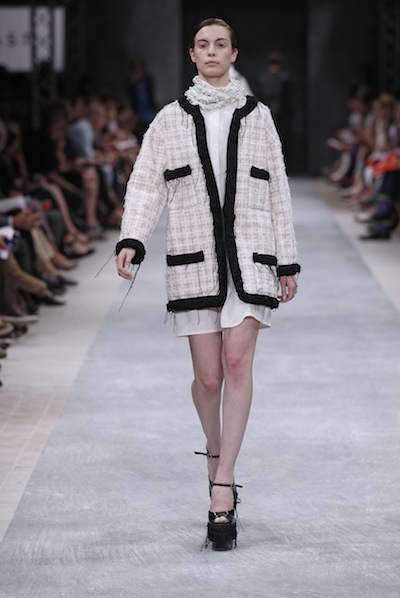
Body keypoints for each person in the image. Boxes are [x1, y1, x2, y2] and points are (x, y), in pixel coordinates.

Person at [116, 17, 300, 551]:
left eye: (221, 44)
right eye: (203, 45)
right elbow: (145, 183)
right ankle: (215, 452)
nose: (212, 51)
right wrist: (133, 238)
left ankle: (223, 485)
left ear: (234, 53)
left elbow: (278, 189)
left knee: (237, 364)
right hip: (195, 259)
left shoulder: (258, 117)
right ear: (192, 55)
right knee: (209, 376)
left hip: (251, 257)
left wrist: (287, 261)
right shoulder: (169, 120)